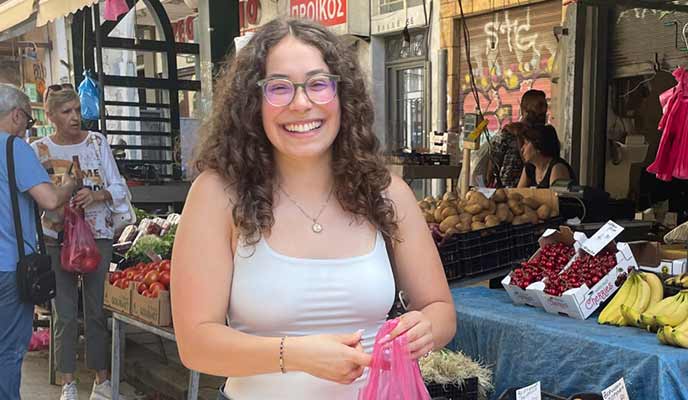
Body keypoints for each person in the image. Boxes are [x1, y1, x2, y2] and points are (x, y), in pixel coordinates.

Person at [171, 17, 456, 400]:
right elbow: (195, 344)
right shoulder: (219, 194)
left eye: (318, 84)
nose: (302, 103)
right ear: (253, 103)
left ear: (342, 96)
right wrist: (295, 355)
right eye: (279, 88)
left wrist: (426, 329)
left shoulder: (388, 194)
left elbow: (440, 310)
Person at [31, 87, 129, 400]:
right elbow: (34, 197)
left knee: (97, 310)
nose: (75, 117)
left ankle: (102, 381)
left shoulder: (97, 142)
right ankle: (68, 383)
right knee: (65, 314)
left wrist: (97, 195)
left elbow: (117, 184)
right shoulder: (38, 151)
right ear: (51, 117)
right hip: (56, 238)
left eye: (76, 110)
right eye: (66, 112)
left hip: (96, 234)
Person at [0, 83, 76, 400]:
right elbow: (48, 200)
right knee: (8, 351)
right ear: (17, 115)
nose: (27, 130)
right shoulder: (14, 149)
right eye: (29, 122)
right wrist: (70, 185)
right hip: (8, 269)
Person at [488, 89, 549, 188]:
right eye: (538, 107)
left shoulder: (545, 136)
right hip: (508, 190)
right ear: (524, 110)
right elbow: (493, 164)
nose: (542, 112)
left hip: (533, 191)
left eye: (544, 107)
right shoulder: (509, 133)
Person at [517, 124, 576, 188]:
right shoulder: (530, 167)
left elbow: (555, 196)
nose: (522, 148)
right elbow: (518, 194)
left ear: (538, 145)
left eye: (526, 143)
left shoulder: (558, 167)